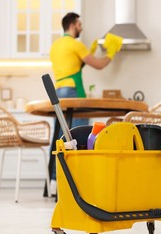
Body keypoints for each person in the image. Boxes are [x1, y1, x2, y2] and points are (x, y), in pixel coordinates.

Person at [49, 12, 122, 185]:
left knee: (60, 138)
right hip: (73, 92)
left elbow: (74, 64)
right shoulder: (75, 44)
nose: (81, 27)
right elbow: (99, 65)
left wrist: (90, 51)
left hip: (58, 93)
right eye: (79, 24)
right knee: (77, 138)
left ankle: (54, 180)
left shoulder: (56, 46)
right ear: (73, 25)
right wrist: (111, 53)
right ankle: (77, 179)